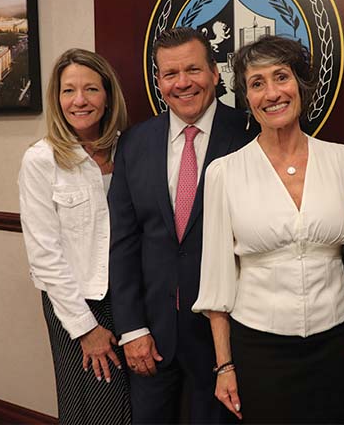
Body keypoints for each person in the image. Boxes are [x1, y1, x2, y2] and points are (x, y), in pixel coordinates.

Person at [192, 35, 344, 424]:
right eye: (257, 83)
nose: (272, 93)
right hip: (259, 349)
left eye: (281, 77)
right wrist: (224, 367)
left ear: (300, 84)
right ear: (247, 98)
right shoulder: (224, 172)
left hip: (334, 345)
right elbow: (217, 280)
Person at [108, 27, 253, 424]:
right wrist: (132, 328)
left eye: (193, 69)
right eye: (170, 74)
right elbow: (123, 242)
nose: (182, 83)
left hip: (225, 339)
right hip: (152, 336)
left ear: (215, 73)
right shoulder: (135, 142)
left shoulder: (250, 135)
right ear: (158, 81)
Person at [18, 48, 132, 424]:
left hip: (132, 300)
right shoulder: (41, 159)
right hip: (78, 304)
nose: (79, 101)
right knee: (94, 410)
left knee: (137, 407)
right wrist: (86, 329)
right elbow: (44, 257)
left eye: (91, 90)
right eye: (69, 91)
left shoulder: (131, 149)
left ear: (108, 95)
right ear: (57, 98)